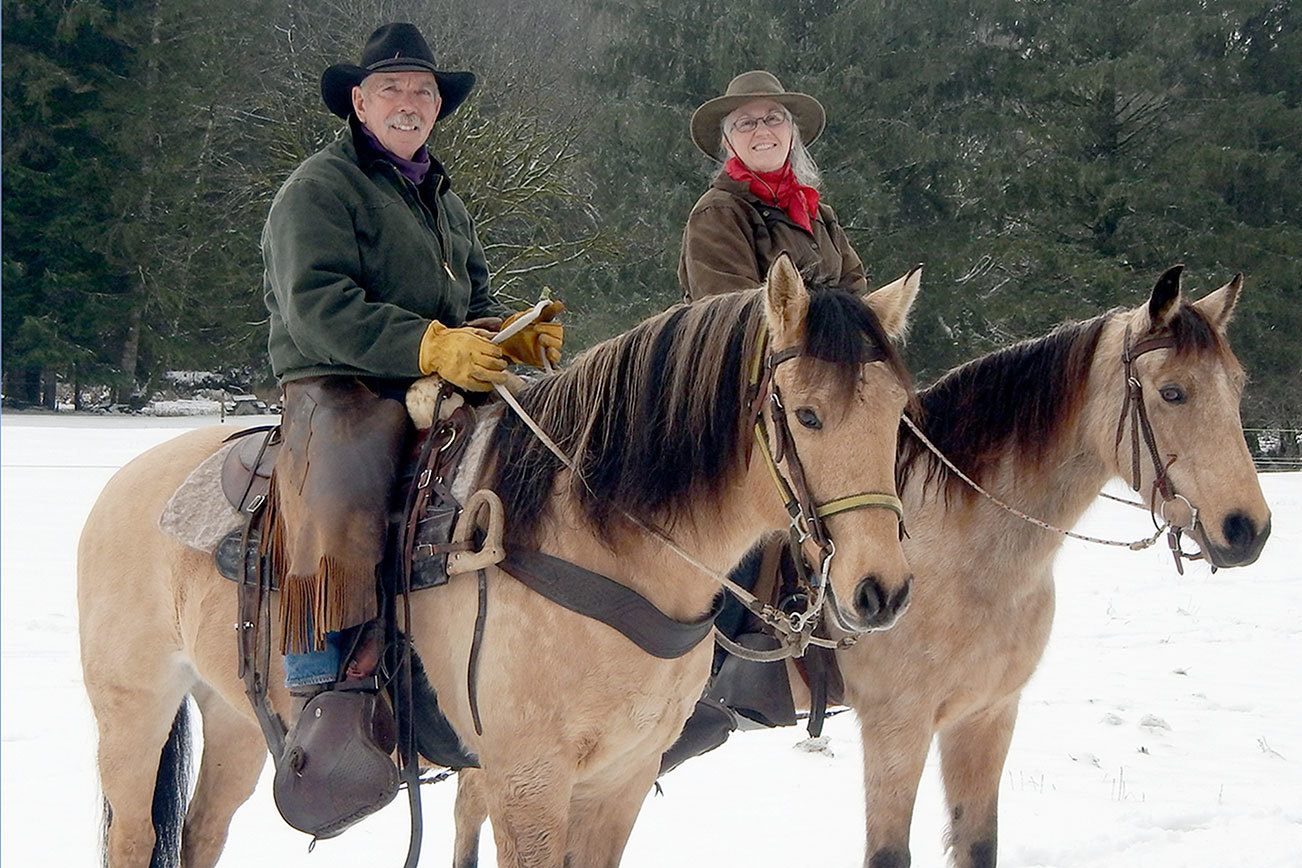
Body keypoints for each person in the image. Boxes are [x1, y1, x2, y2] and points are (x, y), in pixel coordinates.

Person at [261, 24, 562, 723]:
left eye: (423, 91)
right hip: (340, 382)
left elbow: (471, 301)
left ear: (436, 108)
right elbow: (317, 307)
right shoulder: (318, 188)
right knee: (341, 491)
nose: (409, 102)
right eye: (391, 88)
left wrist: (506, 336)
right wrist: (428, 346)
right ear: (359, 103)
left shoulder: (444, 200)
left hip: (439, 378)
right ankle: (320, 676)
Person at [678, 70, 867, 301]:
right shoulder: (717, 214)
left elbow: (856, 294)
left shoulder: (819, 214)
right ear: (727, 142)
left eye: (774, 118)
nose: (762, 131)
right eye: (746, 123)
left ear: (793, 133)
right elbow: (732, 311)